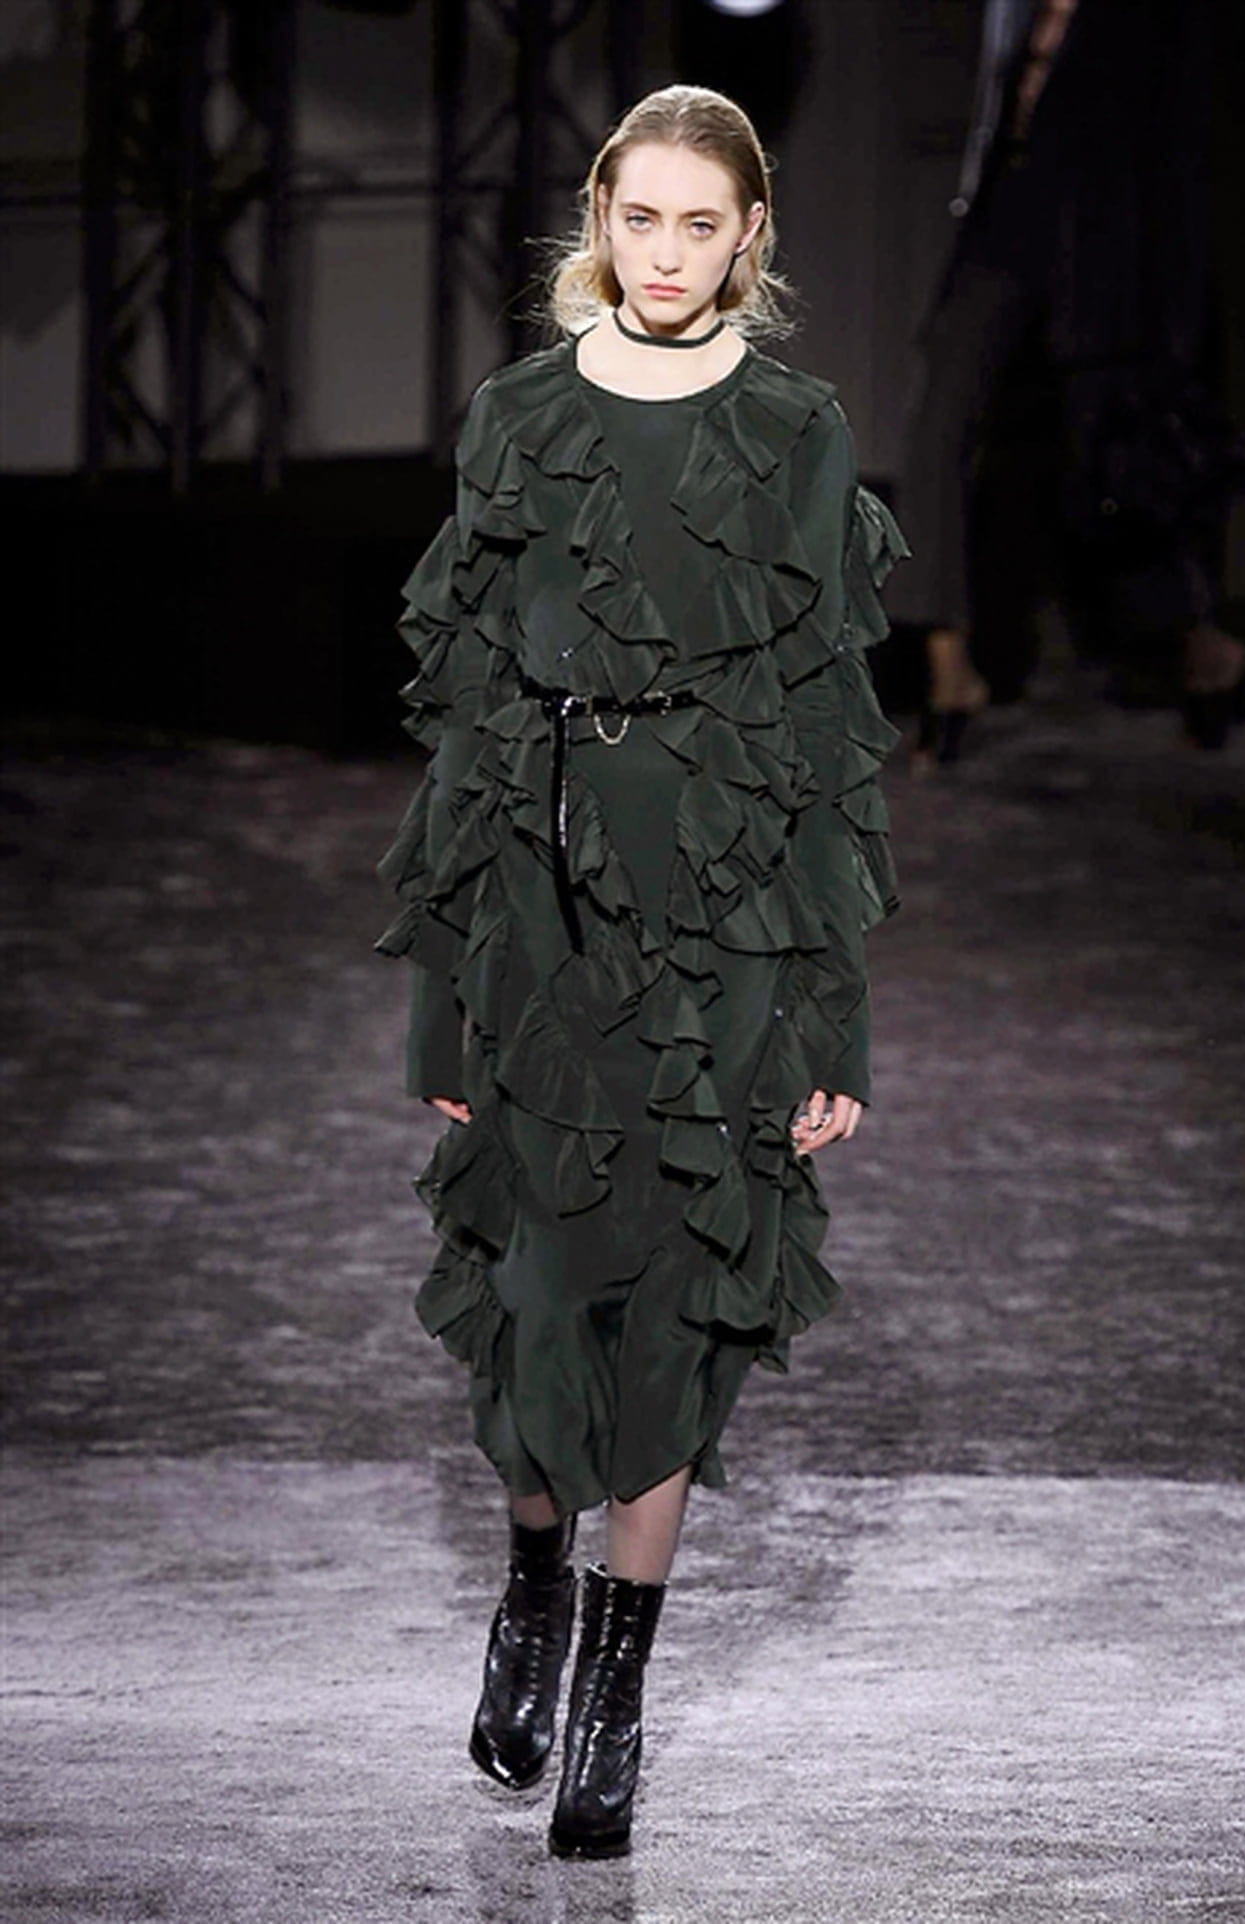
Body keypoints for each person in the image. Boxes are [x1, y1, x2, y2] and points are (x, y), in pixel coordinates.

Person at [377, 85, 905, 1859]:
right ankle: (535, 1573)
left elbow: (830, 728)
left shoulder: (798, 428)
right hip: (539, 900)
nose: (666, 253)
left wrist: (830, 1011)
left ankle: (618, 1684)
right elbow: (465, 709)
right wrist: (442, 986)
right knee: (537, 1290)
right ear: (598, 220)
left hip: (728, 909)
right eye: (641, 217)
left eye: (701, 223)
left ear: (750, 237)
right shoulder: (519, 416)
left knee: (681, 1290)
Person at [892, 0, 1245, 767]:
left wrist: (1172, 296)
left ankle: (1204, 645)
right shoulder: (1013, 9)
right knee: (938, 424)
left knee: (1117, 441)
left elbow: (1177, 142)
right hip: (1005, 215)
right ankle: (949, 669)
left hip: (1103, 235)